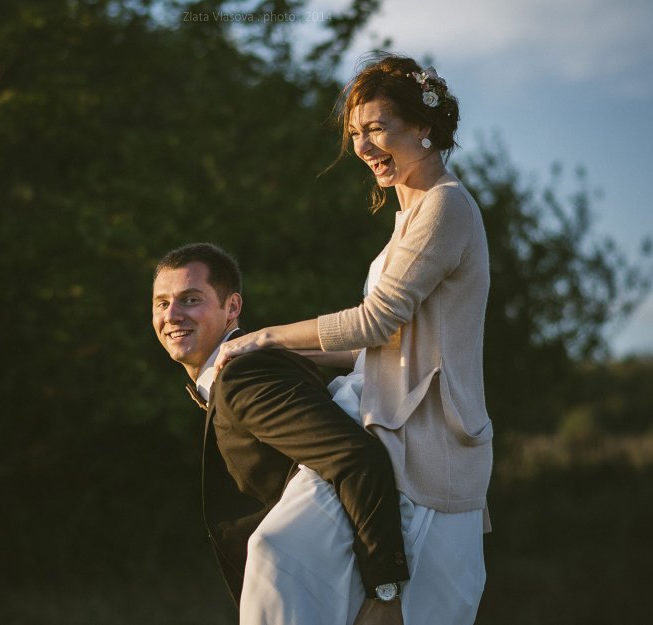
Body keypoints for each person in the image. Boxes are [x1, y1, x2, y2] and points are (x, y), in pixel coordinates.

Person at [214, 54, 493, 624]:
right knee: (275, 553)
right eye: (355, 134)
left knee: (408, 610)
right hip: (373, 419)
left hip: (424, 437)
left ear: (423, 125)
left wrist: (265, 335)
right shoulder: (410, 217)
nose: (363, 147)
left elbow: (374, 322)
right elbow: (373, 347)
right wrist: (264, 349)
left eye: (377, 129)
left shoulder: (446, 205)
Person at [151, 242, 409, 624]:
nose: (172, 315)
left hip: (326, 591)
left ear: (232, 307)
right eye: (161, 303)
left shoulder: (243, 376)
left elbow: (356, 457)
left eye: (190, 299)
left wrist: (384, 592)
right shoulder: (243, 373)